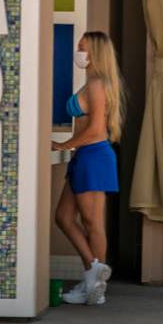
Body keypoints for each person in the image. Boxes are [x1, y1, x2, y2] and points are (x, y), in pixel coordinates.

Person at [52, 31, 125, 306]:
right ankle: (93, 271)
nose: (78, 53)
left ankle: (94, 285)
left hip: (94, 155)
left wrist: (64, 144)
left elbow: (95, 130)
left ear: (95, 51)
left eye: (82, 48)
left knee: (93, 222)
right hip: (85, 156)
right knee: (63, 217)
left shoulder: (97, 84)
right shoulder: (92, 82)